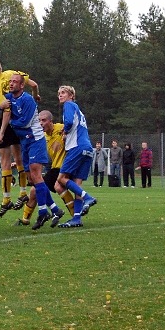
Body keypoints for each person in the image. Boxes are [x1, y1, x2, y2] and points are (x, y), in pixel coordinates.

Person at [0, 74, 67, 230]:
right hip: (25, 143)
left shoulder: (28, 99)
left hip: (35, 140)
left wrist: (9, 122)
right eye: (10, 81)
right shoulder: (8, 98)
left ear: (22, 85)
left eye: (15, 82)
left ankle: (43, 211)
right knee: (33, 179)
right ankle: (55, 209)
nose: (11, 84)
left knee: (36, 176)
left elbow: (25, 122)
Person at [0, 56, 41, 215]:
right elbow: (34, 84)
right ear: (1, 67)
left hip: (3, 123)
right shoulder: (12, 74)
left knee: (5, 162)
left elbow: (6, 109)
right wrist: (35, 95)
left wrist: (2, 132)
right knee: (19, 159)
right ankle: (23, 192)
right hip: (17, 122)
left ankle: (6, 199)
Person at [14, 109, 76, 227]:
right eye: (39, 121)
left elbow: (75, 129)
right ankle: (27, 219)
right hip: (55, 169)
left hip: (64, 167)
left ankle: (57, 213)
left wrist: (66, 133)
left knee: (36, 189)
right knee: (36, 190)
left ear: (51, 121)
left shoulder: (60, 127)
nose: (41, 123)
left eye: (44, 120)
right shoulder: (41, 137)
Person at [53, 85, 99, 228]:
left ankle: (88, 197)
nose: (60, 95)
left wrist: (65, 131)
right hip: (87, 148)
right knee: (77, 183)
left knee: (61, 178)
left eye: (63, 93)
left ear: (71, 95)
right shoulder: (79, 110)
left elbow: (68, 122)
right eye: (59, 93)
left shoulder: (69, 105)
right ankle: (76, 218)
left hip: (76, 147)